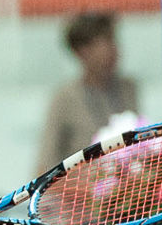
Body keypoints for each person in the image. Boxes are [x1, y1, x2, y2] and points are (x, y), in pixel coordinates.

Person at [36, 10, 139, 173]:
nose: (114, 49)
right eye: (105, 42)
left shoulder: (128, 89)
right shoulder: (65, 99)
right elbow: (45, 164)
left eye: (113, 40)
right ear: (83, 51)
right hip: (82, 185)